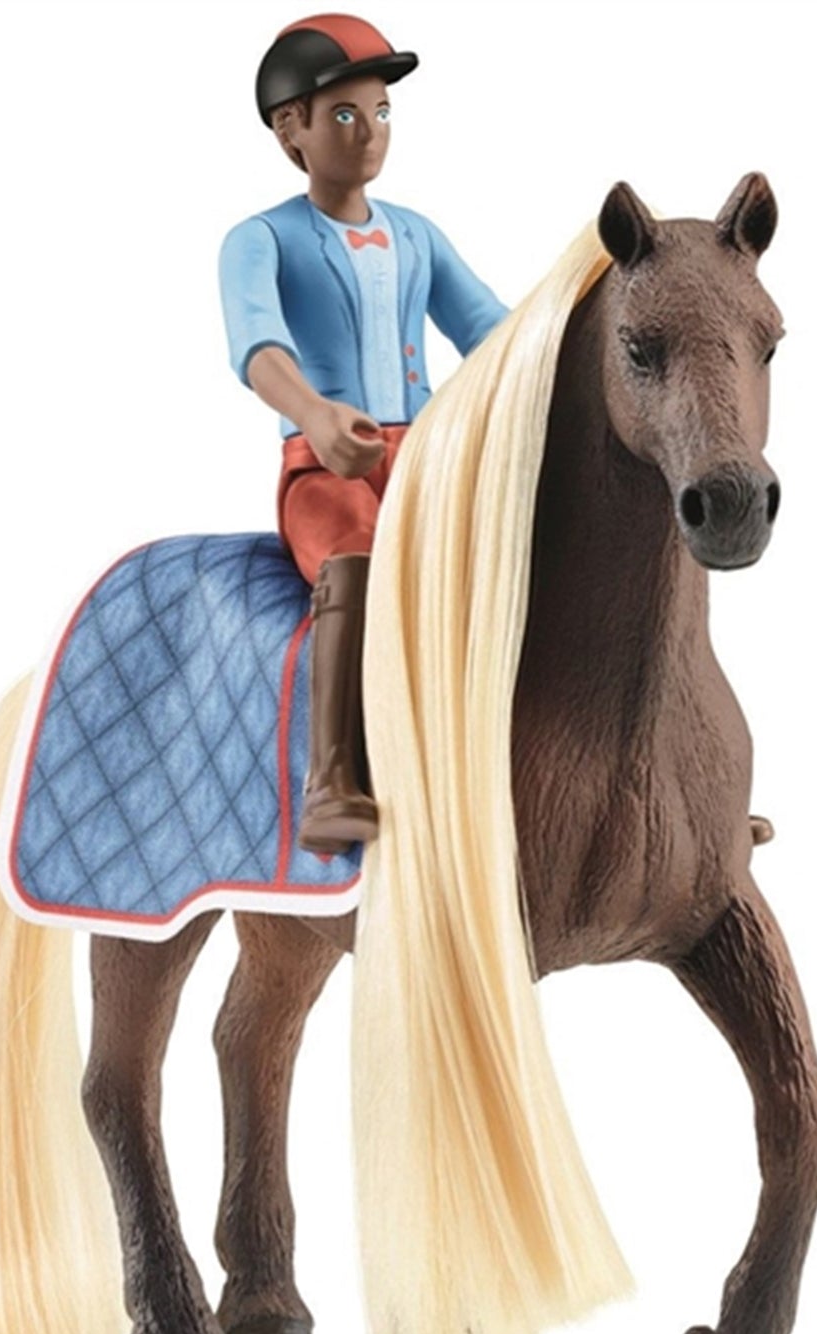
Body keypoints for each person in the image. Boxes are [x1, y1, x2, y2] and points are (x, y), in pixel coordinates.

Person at [220, 13, 507, 854]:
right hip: (328, 466)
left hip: (425, 461)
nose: (370, 132)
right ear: (292, 129)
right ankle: (333, 777)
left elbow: (488, 328)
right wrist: (314, 414)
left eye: (381, 112)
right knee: (356, 562)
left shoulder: (417, 234)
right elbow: (257, 346)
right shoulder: (261, 239)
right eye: (345, 114)